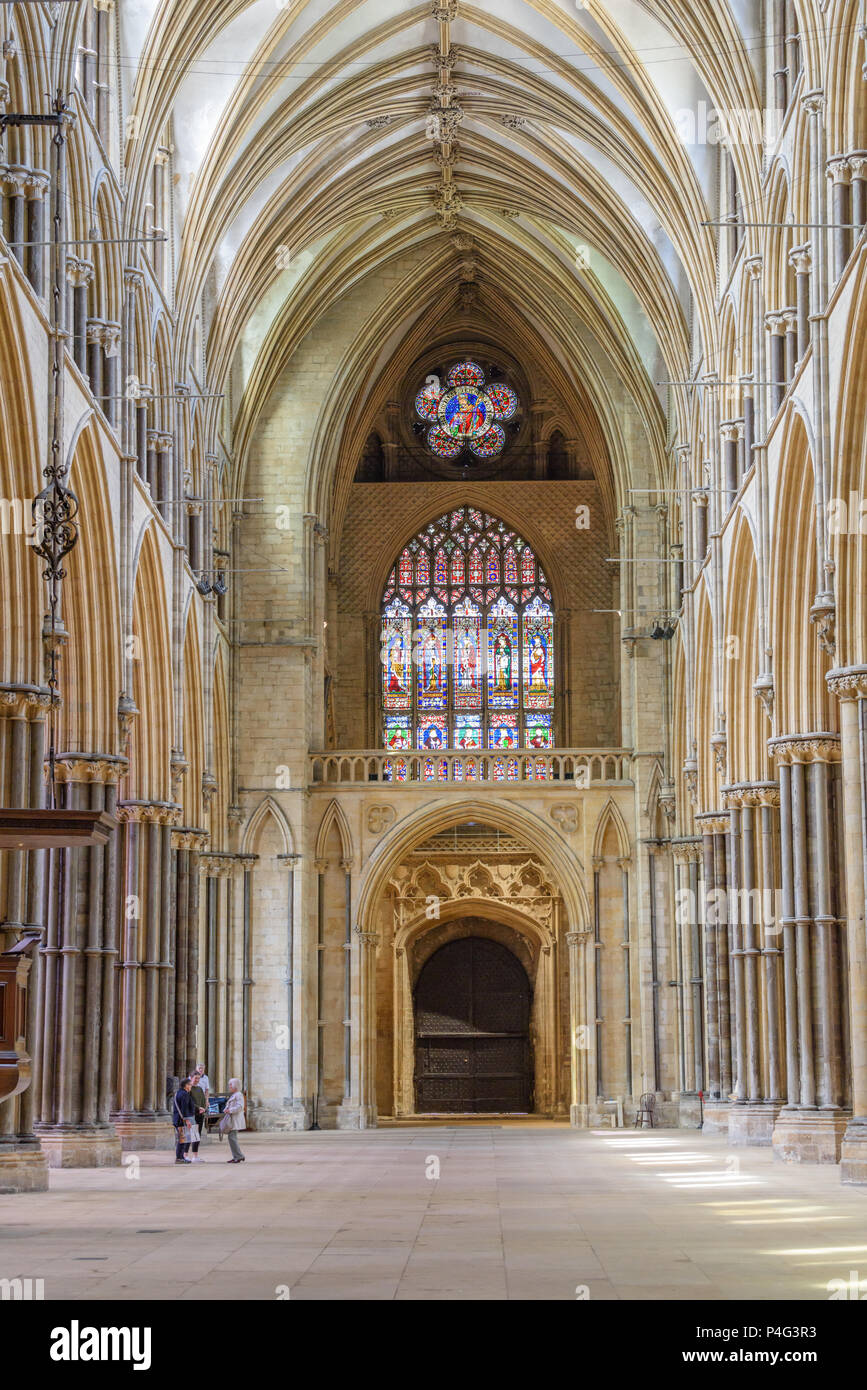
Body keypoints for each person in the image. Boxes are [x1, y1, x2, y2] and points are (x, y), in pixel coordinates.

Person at [220, 1078, 246, 1163]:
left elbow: (240, 1106)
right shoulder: (235, 1094)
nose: (229, 1086)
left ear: (235, 1085)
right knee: (232, 1138)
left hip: (235, 1119)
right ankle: (237, 1156)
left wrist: (230, 1110)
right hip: (232, 1119)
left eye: (230, 1084)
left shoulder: (238, 1095)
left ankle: (238, 1156)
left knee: (232, 1138)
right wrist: (226, 1109)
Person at [172, 1076, 196, 1164]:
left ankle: (181, 1157)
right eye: (190, 1085)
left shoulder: (179, 1093)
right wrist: (187, 1120)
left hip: (178, 1119)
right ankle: (179, 1158)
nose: (191, 1087)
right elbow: (184, 1108)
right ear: (185, 1085)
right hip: (181, 1120)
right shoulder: (184, 1094)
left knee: (183, 1139)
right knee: (182, 1139)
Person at [188, 1073, 208, 1161]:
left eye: (198, 1078)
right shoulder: (189, 1089)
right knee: (189, 1135)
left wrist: (203, 1108)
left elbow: (203, 1100)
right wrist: (197, 1108)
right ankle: (184, 1155)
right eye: (195, 1078)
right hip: (192, 1115)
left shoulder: (199, 1089)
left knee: (197, 1135)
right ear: (191, 1078)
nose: (197, 1080)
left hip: (200, 1114)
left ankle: (195, 1156)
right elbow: (189, 1102)